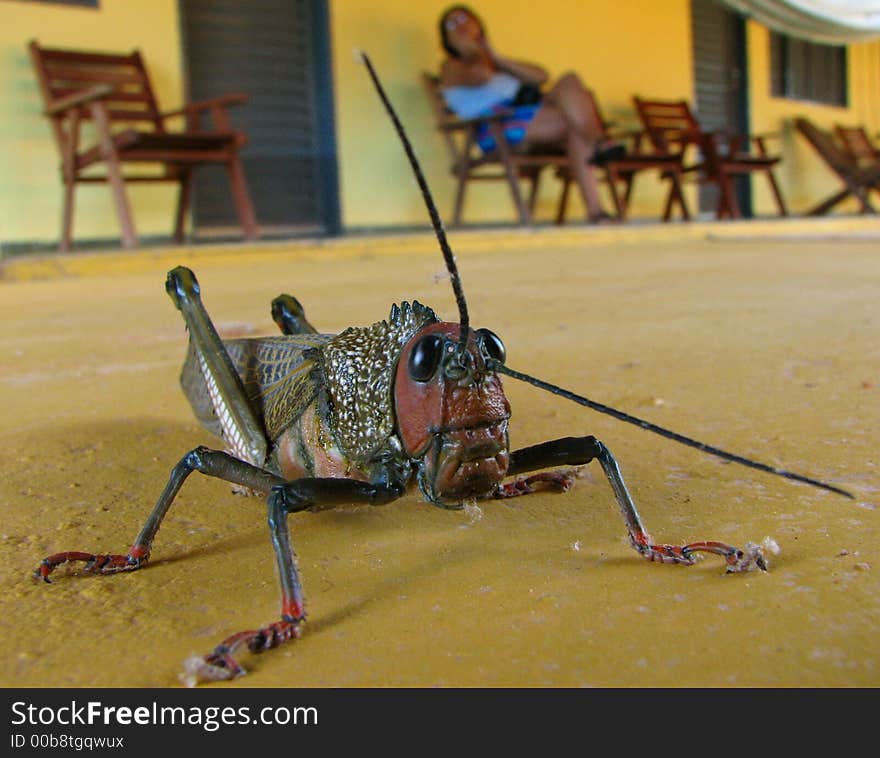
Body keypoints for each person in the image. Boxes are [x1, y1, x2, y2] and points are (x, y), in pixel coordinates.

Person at [438, 4, 622, 223]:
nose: (460, 26)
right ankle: (598, 145)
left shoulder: (497, 66)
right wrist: (477, 52)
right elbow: (481, 77)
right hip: (494, 129)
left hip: (524, 120)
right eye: (452, 23)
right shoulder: (451, 66)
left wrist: (496, 56)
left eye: (464, 19)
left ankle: (597, 210)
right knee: (573, 122)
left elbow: (541, 77)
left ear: (479, 27)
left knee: (569, 82)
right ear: (447, 40)